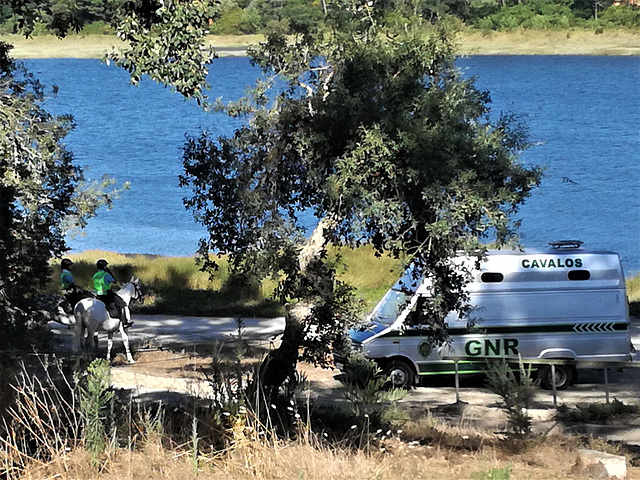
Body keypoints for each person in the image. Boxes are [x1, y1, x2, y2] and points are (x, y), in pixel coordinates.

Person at [93, 259, 133, 328]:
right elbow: (115, 281)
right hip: (107, 294)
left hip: (98, 295)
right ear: (104, 267)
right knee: (122, 304)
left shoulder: (95, 275)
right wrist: (109, 272)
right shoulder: (106, 275)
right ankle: (124, 322)